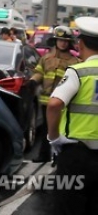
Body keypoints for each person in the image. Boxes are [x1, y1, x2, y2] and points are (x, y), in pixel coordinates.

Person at [46, 16, 98, 215]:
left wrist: (54, 138)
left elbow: (54, 104)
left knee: (68, 208)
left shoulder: (78, 72)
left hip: (76, 154)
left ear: (81, 44)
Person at [29, 25, 80, 162]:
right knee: (47, 131)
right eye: (60, 40)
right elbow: (39, 72)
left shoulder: (74, 62)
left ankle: (59, 157)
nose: (62, 43)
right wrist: (33, 81)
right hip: (46, 102)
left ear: (69, 43)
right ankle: (44, 155)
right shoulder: (46, 58)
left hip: (63, 103)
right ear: (55, 41)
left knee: (61, 131)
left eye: (65, 41)